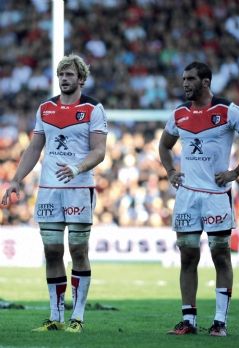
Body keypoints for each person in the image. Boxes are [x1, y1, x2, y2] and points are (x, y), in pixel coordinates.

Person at [159, 61, 239, 337]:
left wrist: (236, 171)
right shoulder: (179, 114)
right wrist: (171, 170)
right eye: (183, 78)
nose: (185, 83)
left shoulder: (227, 111)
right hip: (187, 196)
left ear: (206, 82)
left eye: (191, 79)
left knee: (221, 256)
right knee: (187, 257)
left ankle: (220, 322)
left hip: (217, 196)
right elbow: (164, 145)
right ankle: (189, 321)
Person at [1, 54, 108, 333]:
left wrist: (76, 168)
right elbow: (34, 148)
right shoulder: (45, 109)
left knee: (78, 250)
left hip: (79, 188)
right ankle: (56, 317)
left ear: (81, 79)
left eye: (70, 74)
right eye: (61, 74)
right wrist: (15, 180)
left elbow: (99, 151)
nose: (64, 78)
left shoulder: (93, 109)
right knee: (51, 251)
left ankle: (78, 317)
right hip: (49, 190)